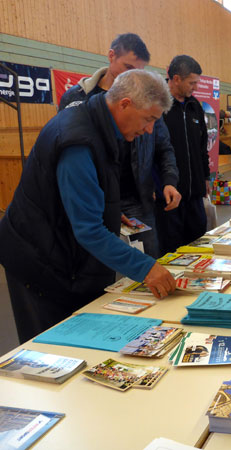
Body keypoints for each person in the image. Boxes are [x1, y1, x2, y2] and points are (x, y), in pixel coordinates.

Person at [0, 70, 177, 343]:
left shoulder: (99, 125)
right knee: (52, 345)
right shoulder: (77, 141)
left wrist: (109, 211)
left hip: (59, 249)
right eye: (148, 119)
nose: (149, 130)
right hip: (35, 259)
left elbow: (85, 189)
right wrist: (146, 268)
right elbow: (89, 230)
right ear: (125, 104)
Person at [59, 33, 181, 258]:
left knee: (147, 258)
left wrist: (169, 180)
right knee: (97, 260)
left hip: (136, 198)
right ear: (111, 56)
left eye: (138, 71)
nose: (131, 75)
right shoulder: (78, 99)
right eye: (128, 67)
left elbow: (163, 146)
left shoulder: (147, 100)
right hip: (97, 199)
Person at [156, 55, 211, 254]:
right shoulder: (158, 106)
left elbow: (202, 146)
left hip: (194, 193)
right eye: (192, 83)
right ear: (176, 79)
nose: (196, 87)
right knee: (171, 249)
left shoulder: (195, 106)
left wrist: (205, 177)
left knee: (198, 245)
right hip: (168, 196)